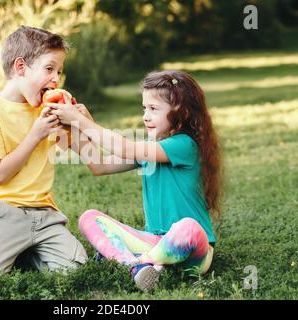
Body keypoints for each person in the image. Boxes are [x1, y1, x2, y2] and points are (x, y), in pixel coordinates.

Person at [46, 70, 222, 292]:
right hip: (154, 241)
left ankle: (140, 260)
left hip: (192, 251)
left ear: (182, 112)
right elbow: (99, 165)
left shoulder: (184, 145)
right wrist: (73, 129)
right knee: (89, 218)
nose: (146, 116)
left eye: (154, 109)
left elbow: (125, 148)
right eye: (144, 108)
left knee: (188, 227)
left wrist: (81, 120)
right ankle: (138, 267)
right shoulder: (151, 148)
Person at [0, 26, 90, 277]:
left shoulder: (45, 109)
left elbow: (70, 146)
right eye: (49, 69)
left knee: (76, 270)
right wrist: (36, 134)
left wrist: (79, 121)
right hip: (3, 213)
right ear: (21, 67)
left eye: (59, 72)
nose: (56, 79)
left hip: (45, 214)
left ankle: (25, 251)